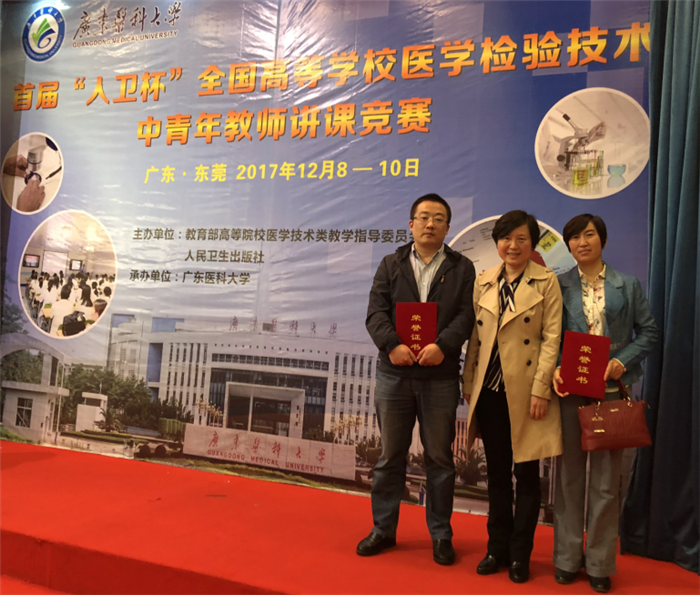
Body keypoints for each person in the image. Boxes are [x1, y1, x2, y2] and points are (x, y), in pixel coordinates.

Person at [359, 193, 476, 565]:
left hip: (439, 376)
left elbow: (466, 315)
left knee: (440, 459)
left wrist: (444, 346)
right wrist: (392, 345)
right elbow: (376, 312)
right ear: (411, 224)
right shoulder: (391, 263)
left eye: (438, 218)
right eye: (424, 217)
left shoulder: (462, 267)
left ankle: (441, 534)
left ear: (447, 227)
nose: (430, 224)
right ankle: (383, 529)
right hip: (394, 374)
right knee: (389, 457)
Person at [552, 214, 658, 594]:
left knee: (606, 483)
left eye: (589, 235)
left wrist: (621, 362)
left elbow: (649, 332)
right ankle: (566, 558)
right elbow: (549, 335)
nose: (582, 242)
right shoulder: (558, 284)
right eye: (575, 237)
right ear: (568, 245)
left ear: (604, 241)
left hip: (611, 391)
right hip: (571, 391)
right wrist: (556, 368)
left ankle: (599, 562)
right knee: (568, 478)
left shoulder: (626, 285)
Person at [462, 210, 563, 583]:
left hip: (527, 394)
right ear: (497, 243)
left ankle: (521, 556)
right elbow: (476, 337)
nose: (513, 246)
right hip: (490, 392)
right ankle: (496, 549)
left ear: (532, 243)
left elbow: (552, 339)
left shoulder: (546, 282)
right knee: (497, 476)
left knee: (527, 477)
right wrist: (469, 381)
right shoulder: (485, 281)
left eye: (522, 239)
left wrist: (541, 389)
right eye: (506, 238)